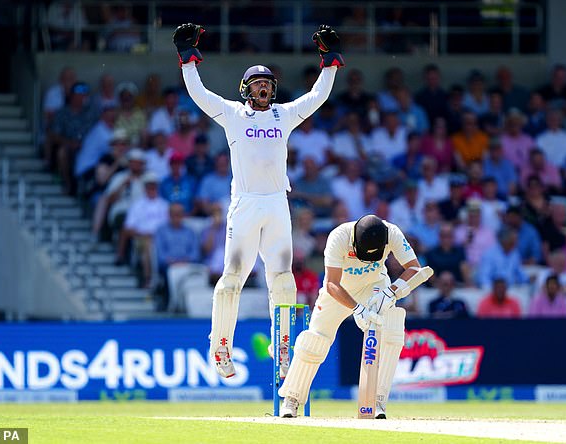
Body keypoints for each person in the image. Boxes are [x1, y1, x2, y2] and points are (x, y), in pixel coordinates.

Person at [174, 23, 344, 378]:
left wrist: (329, 62)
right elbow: (200, 95)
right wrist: (187, 61)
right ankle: (220, 346)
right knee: (232, 276)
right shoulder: (233, 115)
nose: (264, 88)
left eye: (268, 84)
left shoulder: (284, 115)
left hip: (277, 204)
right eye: (257, 84)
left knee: (283, 279)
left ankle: (282, 350)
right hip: (246, 204)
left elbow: (317, 97)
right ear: (246, 90)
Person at [278, 215, 422, 418]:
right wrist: (357, 308)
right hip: (339, 290)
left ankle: (377, 400)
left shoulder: (392, 233)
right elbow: (331, 284)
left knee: (392, 329)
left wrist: (391, 292)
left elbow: (415, 268)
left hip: (375, 287)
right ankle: (291, 399)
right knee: (315, 340)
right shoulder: (339, 236)